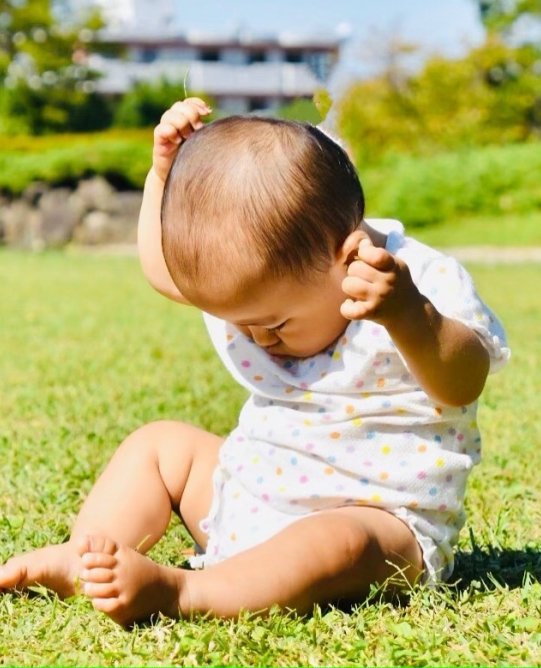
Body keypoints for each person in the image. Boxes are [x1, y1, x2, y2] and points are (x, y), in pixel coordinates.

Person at [0, 98, 509, 626]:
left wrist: (408, 315)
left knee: (339, 540)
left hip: (379, 520)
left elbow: (461, 382)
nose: (257, 339)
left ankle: (185, 593)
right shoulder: (266, 285)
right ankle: (84, 555)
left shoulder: (418, 283)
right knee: (159, 446)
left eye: (276, 324)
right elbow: (163, 269)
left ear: (349, 255)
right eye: (241, 326)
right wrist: (163, 178)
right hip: (250, 497)